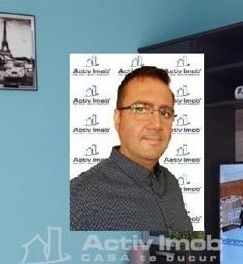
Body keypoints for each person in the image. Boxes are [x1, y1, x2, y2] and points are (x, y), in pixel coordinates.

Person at [70, 65, 192, 231]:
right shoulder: (78, 198)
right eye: (140, 109)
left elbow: (186, 245)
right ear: (118, 118)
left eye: (165, 113)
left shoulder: (171, 183)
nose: (157, 124)